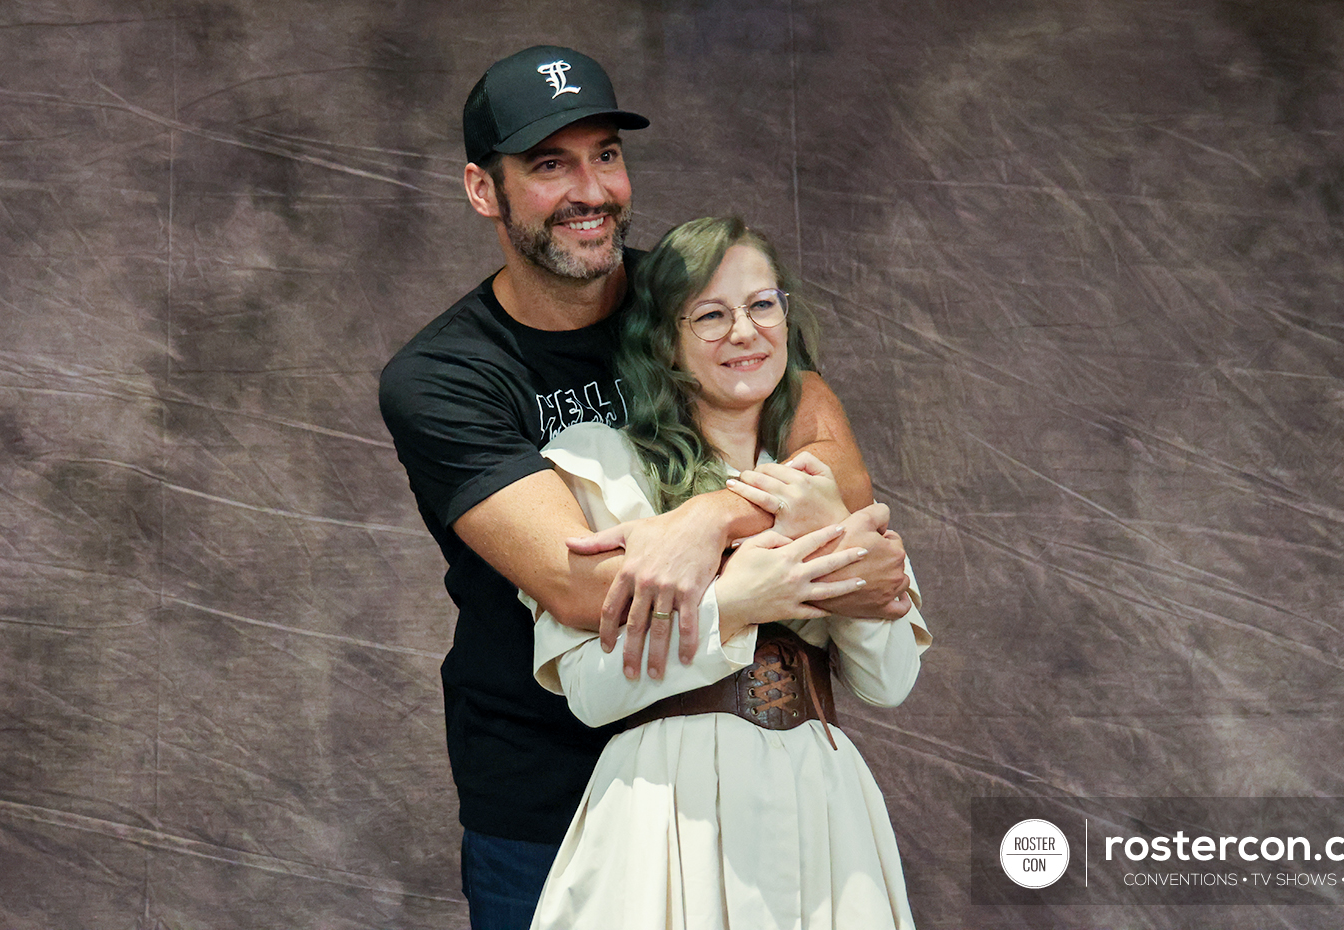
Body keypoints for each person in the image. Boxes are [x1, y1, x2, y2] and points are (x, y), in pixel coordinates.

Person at [378, 46, 910, 928]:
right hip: (548, 786)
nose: (591, 190)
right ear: (484, 190)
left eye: (606, 156)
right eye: (550, 165)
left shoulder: (698, 296)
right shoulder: (444, 377)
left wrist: (707, 517)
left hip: (738, 777)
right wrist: (786, 559)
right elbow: (587, 586)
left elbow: (837, 464)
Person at [524, 216, 930, 929]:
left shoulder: (822, 476)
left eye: (762, 305)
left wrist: (837, 551)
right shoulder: (597, 463)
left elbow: (889, 681)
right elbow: (589, 691)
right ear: (663, 341)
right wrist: (735, 604)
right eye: (711, 315)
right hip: (666, 809)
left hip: (823, 805)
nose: (745, 332)